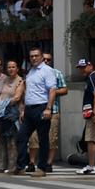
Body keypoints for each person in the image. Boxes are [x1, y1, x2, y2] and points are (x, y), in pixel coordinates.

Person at [13, 47, 56, 177]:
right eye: (31, 56)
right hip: (29, 109)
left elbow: (52, 90)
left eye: (36, 56)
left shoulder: (47, 71)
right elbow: (29, 91)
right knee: (21, 137)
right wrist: (23, 110)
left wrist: (48, 108)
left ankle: (42, 168)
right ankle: (20, 166)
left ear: (42, 57)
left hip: (41, 107)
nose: (34, 58)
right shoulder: (30, 71)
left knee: (43, 139)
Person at [28, 52, 66, 171]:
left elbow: (65, 89)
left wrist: (52, 91)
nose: (45, 61)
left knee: (51, 138)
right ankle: (31, 162)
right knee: (33, 137)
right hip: (36, 110)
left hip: (53, 110)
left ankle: (48, 163)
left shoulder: (56, 73)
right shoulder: (33, 72)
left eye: (48, 60)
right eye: (44, 59)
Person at [0, 60, 24, 173]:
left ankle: (12, 166)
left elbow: (17, 97)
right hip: (2, 114)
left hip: (13, 113)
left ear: (17, 69)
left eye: (13, 67)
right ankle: (0, 166)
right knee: (0, 140)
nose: (11, 69)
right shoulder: (5, 80)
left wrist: (3, 103)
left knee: (12, 141)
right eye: (9, 67)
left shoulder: (20, 81)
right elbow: (1, 94)